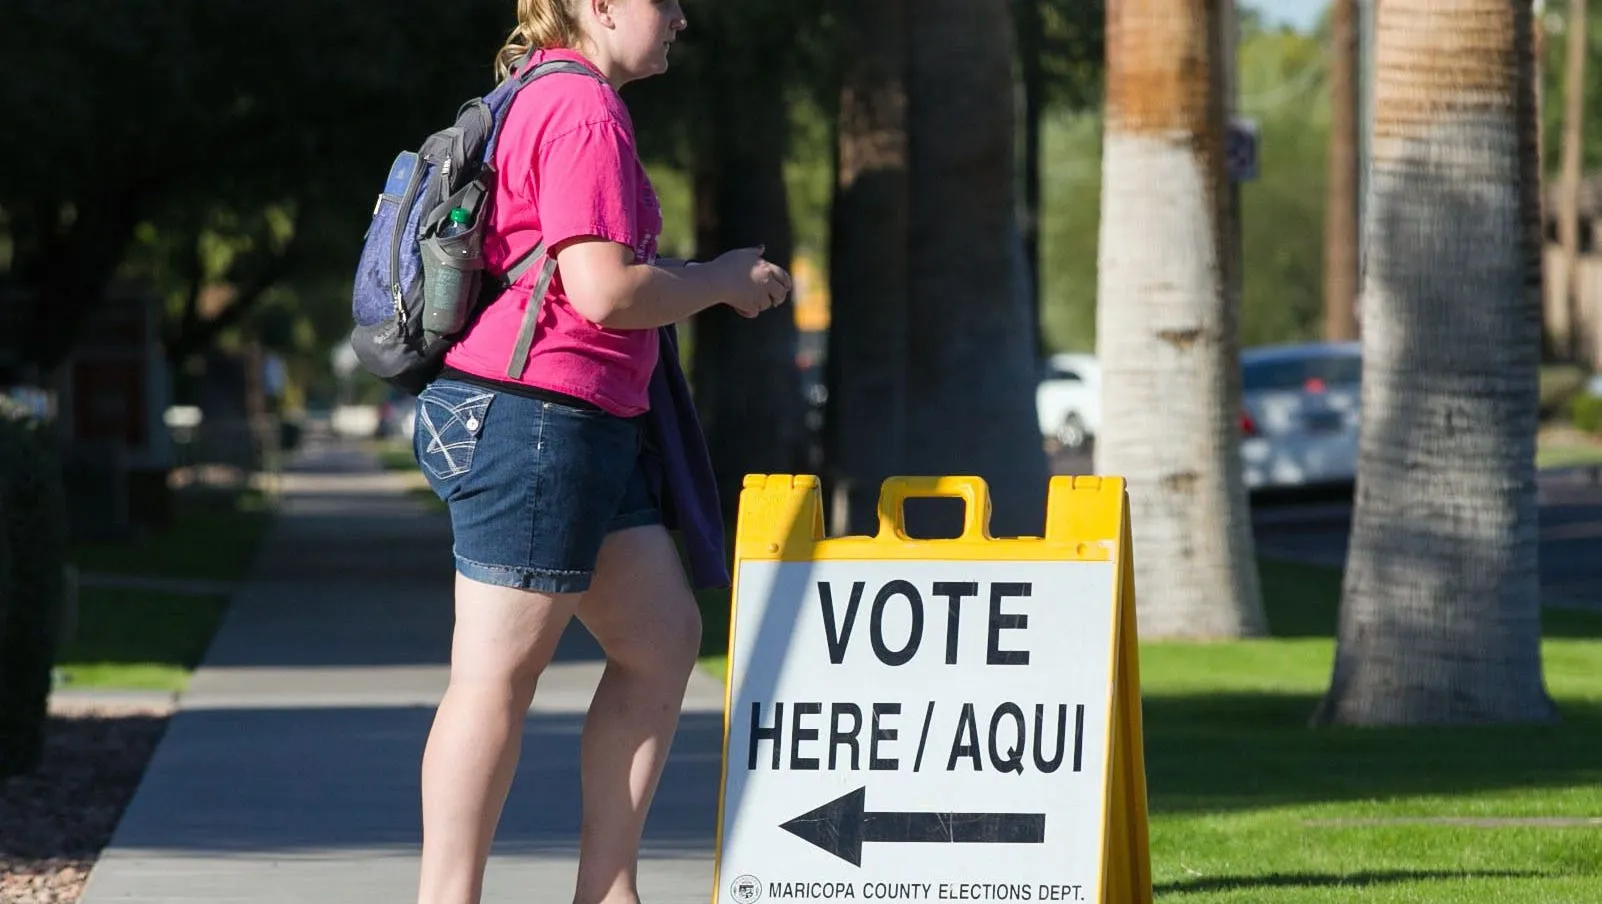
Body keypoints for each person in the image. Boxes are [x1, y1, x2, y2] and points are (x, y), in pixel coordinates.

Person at [409, 1, 792, 902]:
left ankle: (606, 890)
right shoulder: (581, 106)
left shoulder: (537, 91)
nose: (684, 18)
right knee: (494, 678)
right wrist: (721, 283)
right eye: (666, 0)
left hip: (575, 420)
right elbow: (605, 292)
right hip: (539, 415)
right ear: (599, 5)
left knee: (662, 643)